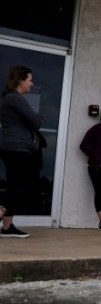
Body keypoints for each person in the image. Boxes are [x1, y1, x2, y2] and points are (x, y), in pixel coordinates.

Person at [0, 66, 41, 239]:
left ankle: (7, 227)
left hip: (11, 147)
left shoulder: (8, 100)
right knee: (28, 185)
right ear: (20, 80)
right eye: (30, 80)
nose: (32, 84)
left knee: (14, 185)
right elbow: (35, 121)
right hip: (18, 148)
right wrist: (38, 118)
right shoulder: (15, 99)